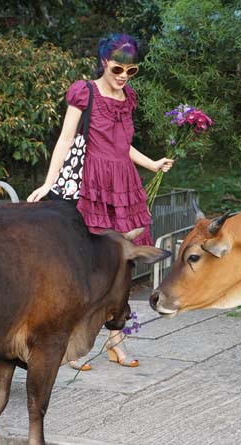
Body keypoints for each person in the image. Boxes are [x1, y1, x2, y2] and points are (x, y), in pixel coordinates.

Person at [27, 33, 173, 370]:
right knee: (89, 262)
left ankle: (116, 340)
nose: (123, 76)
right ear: (104, 62)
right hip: (92, 183)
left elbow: (122, 145)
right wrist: (50, 182)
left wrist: (151, 164)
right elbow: (65, 139)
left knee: (122, 263)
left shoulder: (127, 98)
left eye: (131, 70)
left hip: (123, 182)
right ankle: (75, 344)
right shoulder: (85, 92)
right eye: (118, 68)